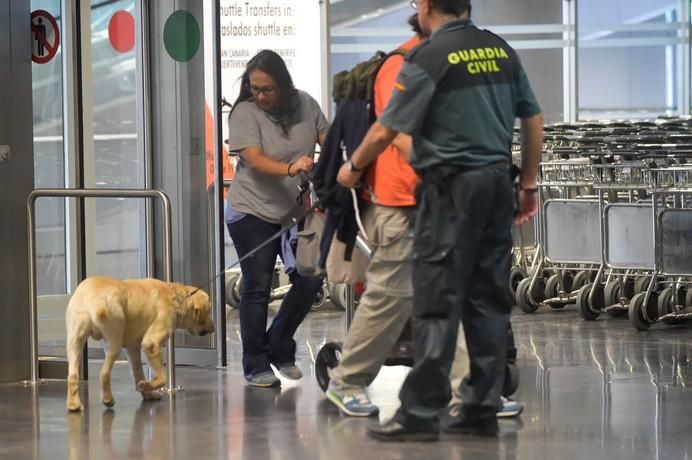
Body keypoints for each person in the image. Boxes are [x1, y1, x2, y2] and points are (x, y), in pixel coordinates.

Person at [337, 0, 543, 442]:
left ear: (427, 7)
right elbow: (533, 117)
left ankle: (419, 414)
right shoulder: (500, 50)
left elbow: (386, 130)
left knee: (435, 299)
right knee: (487, 300)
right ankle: (478, 408)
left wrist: (352, 166)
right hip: (495, 187)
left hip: (450, 191)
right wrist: (527, 183)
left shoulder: (427, 56)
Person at [325, 14, 422, 417]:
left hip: (444, 200)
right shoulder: (402, 63)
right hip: (403, 199)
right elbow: (388, 131)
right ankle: (347, 380)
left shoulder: (452, 59)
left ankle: (473, 386)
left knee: (455, 294)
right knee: (389, 296)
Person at [226, 50, 330, 388]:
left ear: (283, 85)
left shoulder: (306, 104)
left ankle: (279, 345)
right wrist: (291, 167)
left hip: (294, 211)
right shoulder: (244, 113)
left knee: (311, 280)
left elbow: (327, 141)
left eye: (267, 89)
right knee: (257, 287)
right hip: (251, 210)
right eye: (254, 88)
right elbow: (254, 160)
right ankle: (255, 362)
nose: (260, 96)